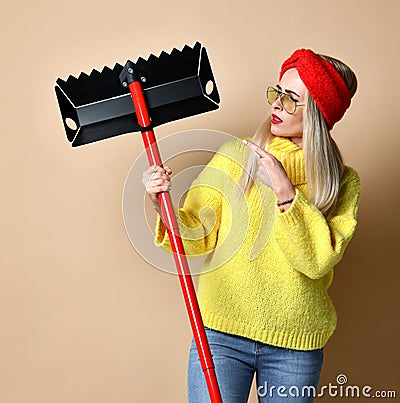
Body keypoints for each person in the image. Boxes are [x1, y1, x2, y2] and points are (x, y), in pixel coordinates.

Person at [142, 48, 360, 402]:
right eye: (277, 92)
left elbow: (317, 261)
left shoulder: (342, 182)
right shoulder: (235, 156)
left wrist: (284, 190)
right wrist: (160, 204)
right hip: (220, 335)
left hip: (296, 347)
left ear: (320, 113)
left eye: (292, 100)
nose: (277, 105)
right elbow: (197, 236)